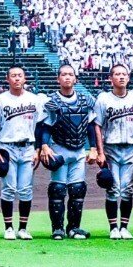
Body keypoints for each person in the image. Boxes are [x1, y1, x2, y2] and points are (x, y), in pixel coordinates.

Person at [0, 65, 48, 241]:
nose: (16, 79)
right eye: (13, 75)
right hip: (7, 147)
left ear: (24, 79)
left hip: (28, 147)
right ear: (8, 79)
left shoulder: (34, 100)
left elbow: (39, 126)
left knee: (25, 189)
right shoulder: (0, 100)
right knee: (8, 188)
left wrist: (38, 148)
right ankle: (8, 227)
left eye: (19, 75)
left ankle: (23, 228)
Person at [43, 62, 99, 240]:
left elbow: (90, 126)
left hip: (79, 149)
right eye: (64, 74)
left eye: (70, 74)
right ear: (58, 78)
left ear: (75, 78)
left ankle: (74, 227)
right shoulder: (52, 102)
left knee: (77, 189)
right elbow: (45, 127)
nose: (67, 77)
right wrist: (44, 145)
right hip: (59, 148)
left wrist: (93, 148)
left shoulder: (85, 100)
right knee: (58, 189)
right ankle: (57, 228)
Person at [94, 62, 133, 239]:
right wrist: (100, 151)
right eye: (117, 74)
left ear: (129, 78)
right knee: (113, 189)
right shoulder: (103, 99)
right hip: (111, 148)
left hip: (130, 148)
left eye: (124, 74)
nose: (121, 77)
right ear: (110, 78)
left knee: (128, 189)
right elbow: (97, 126)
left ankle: (124, 227)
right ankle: (114, 227)